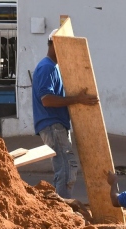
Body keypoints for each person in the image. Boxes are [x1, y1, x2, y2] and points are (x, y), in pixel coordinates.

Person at [32, 28, 99, 199]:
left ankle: (61, 207)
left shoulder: (53, 67)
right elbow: (46, 99)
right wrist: (77, 99)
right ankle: (63, 209)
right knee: (66, 168)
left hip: (55, 124)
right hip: (52, 124)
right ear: (55, 44)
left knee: (66, 168)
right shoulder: (47, 67)